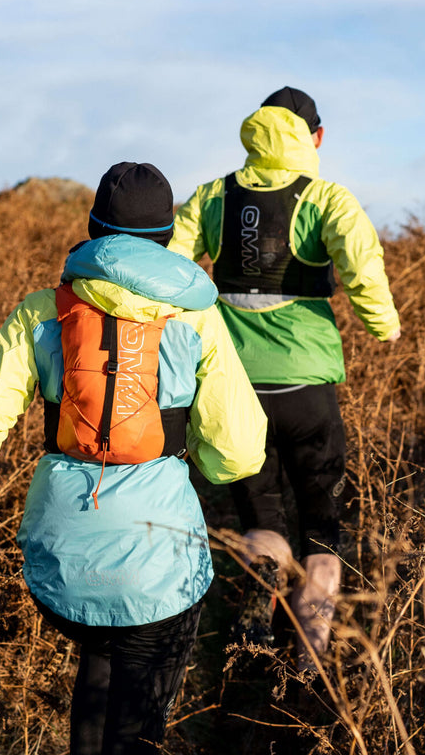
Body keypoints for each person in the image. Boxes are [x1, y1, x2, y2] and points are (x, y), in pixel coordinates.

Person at [0, 162, 266, 755]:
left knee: (100, 652)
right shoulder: (197, 319)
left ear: (92, 230)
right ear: (169, 238)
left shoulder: (43, 311)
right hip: (159, 556)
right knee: (138, 722)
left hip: (62, 554)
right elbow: (239, 453)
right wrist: (200, 459)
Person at [168, 86, 402, 672]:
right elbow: (362, 266)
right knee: (323, 525)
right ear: (316, 137)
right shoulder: (329, 198)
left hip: (233, 385)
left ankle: (256, 632)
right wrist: (385, 328)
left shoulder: (214, 195)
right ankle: (307, 663)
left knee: (261, 518)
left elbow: (171, 268)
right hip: (308, 387)